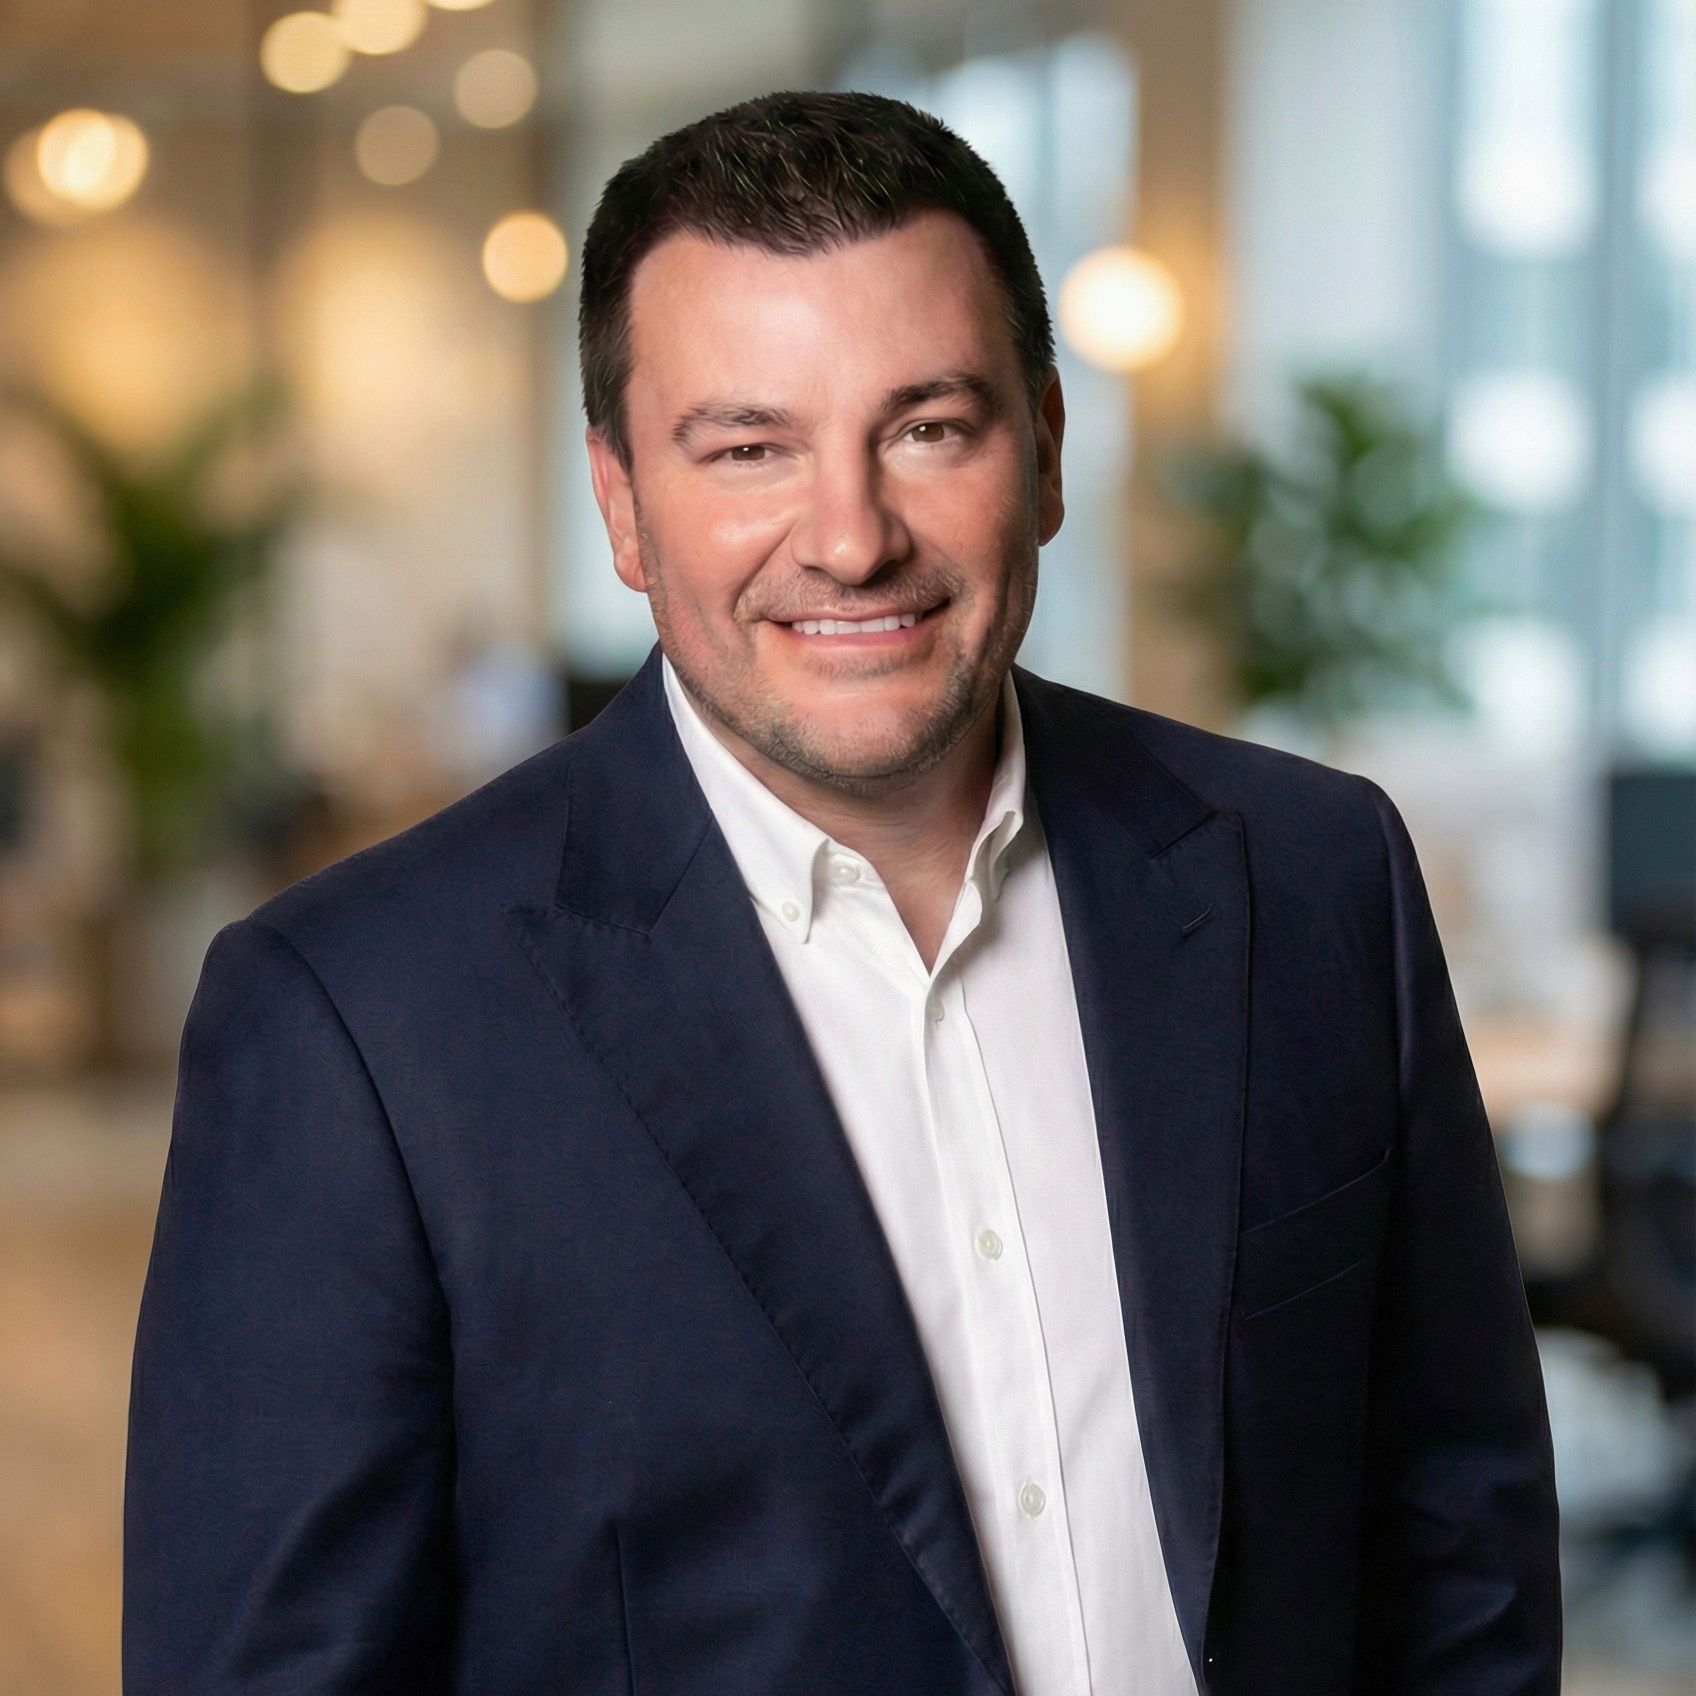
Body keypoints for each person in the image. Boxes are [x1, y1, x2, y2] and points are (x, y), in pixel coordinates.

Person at [122, 90, 1561, 1696]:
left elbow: (1460, 1551)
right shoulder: (357, 1021)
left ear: (1049, 447)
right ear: (621, 505)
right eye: (749, 448)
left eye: (928, 427)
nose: (853, 536)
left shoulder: (1313, 877)